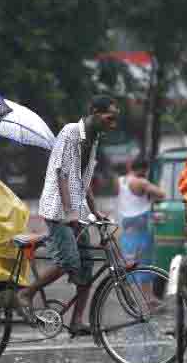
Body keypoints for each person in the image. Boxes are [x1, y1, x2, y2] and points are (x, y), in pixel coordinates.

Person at [17, 95, 119, 337]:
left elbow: (83, 181)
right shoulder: (71, 132)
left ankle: (76, 322)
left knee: (86, 269)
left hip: (77, 212)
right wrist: (69, 211)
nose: (112, 124)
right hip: (57, 210)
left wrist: (94, 211)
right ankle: (27, 293)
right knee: (69, 262)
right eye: (109, 117)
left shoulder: (94, 139)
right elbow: (62, 173)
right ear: (94, 111)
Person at [116, 158, 166, 302]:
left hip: (126, 228)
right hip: (141, 226)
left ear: (130, 166)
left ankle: (129, 298)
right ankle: (148, 298)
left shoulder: (121, 181)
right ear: (145, 169)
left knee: (129, 262)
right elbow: (161, 194)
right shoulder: (141, 182)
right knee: (145, 263)